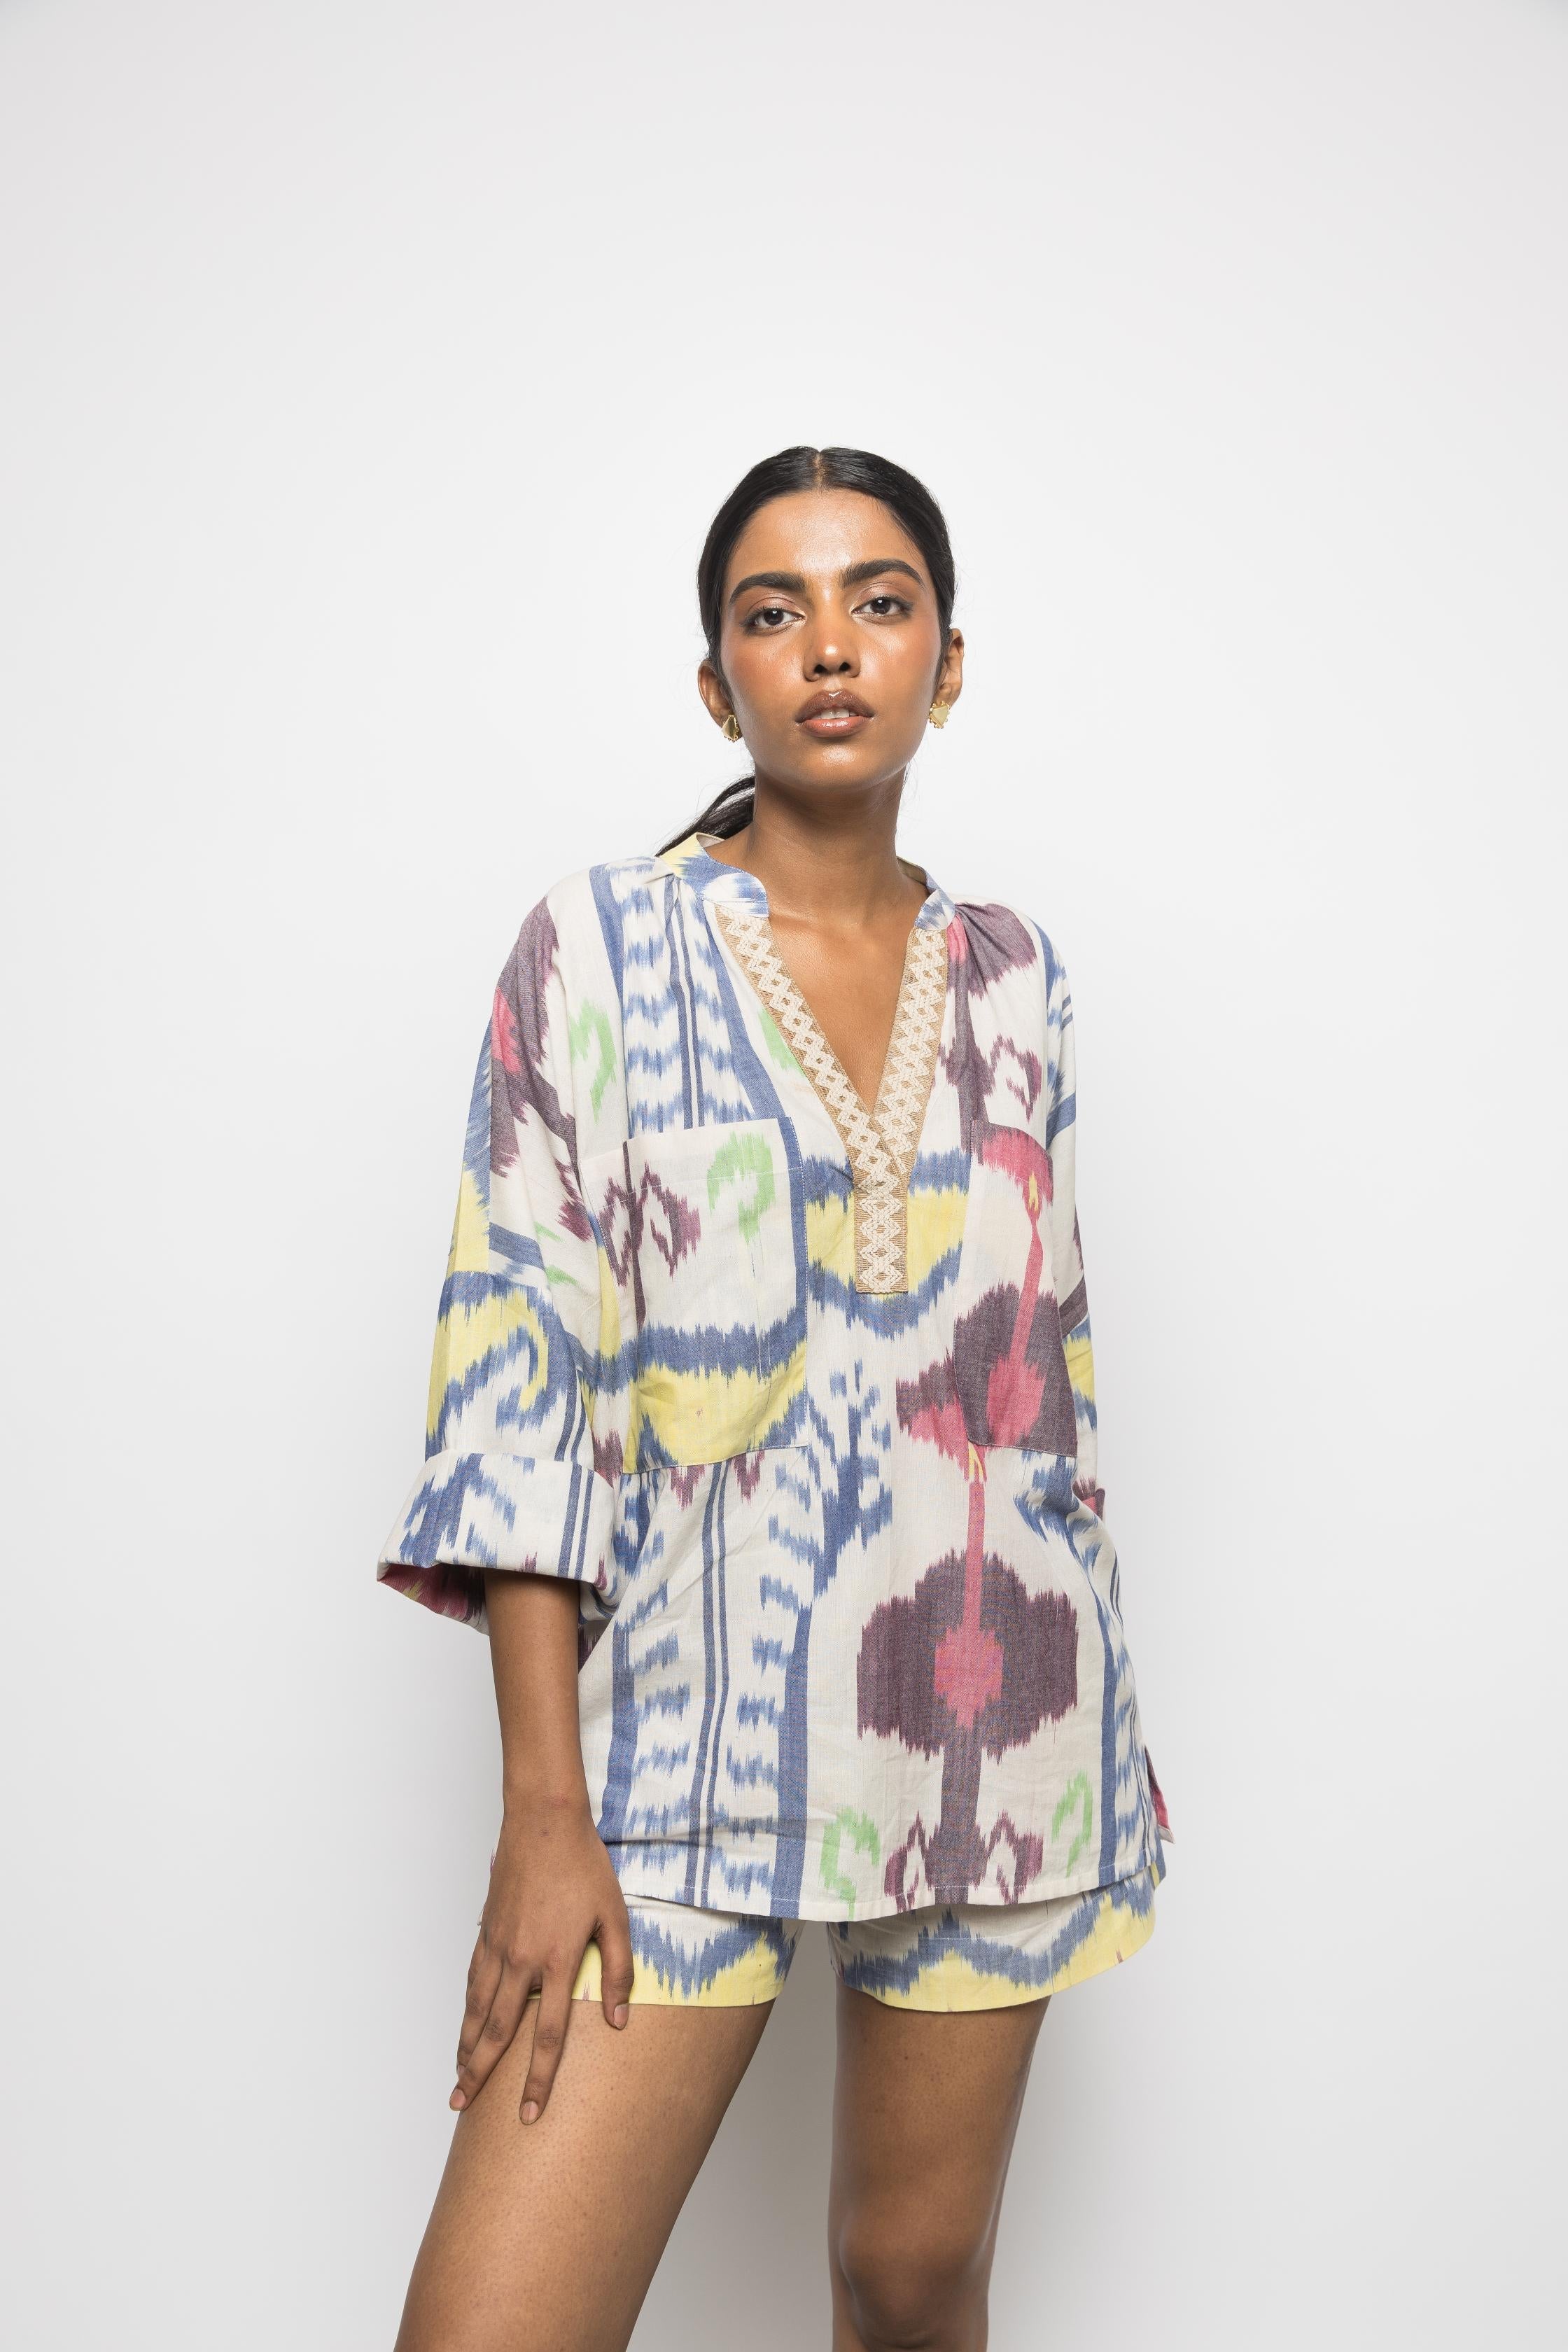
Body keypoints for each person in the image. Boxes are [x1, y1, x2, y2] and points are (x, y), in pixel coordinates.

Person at [377, 444, 1174, 2352]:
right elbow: (520, 1390)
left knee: (913, 2288)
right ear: (713, 675)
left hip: (996, 1732)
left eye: (880, 602)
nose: (830, 646)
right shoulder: (598, 944)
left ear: (947, 665)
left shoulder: (1018, 978)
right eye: (774, 610)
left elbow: (1043, 1389)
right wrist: (544, 1811)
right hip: (682, 1752)